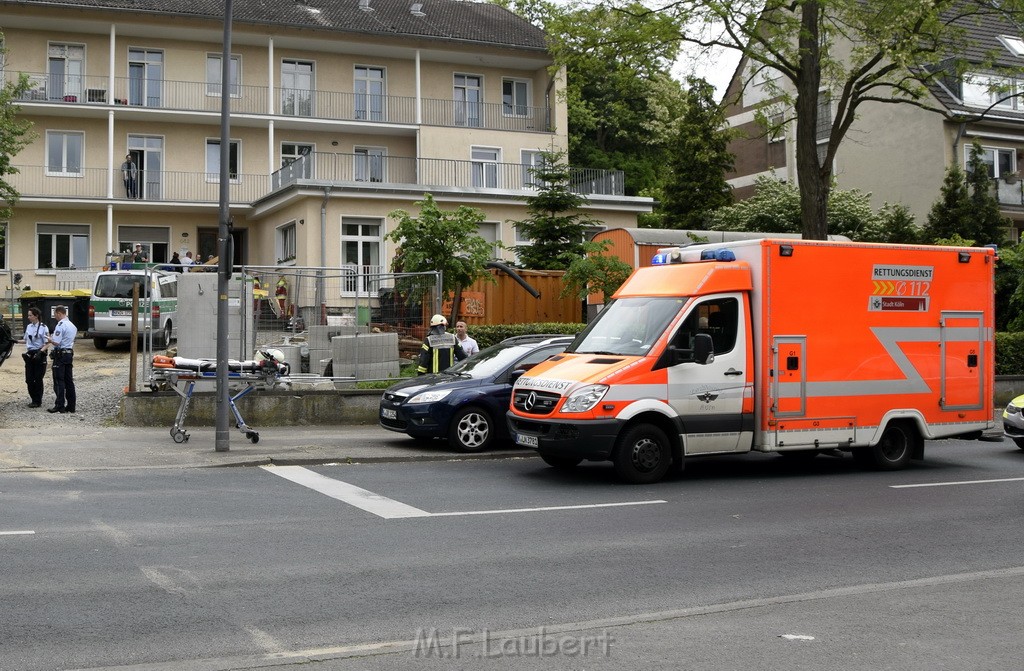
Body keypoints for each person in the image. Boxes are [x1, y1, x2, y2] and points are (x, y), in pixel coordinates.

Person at [47, 305, 77, 414]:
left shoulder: (61, 325)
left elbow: (56, 342)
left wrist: (49, 339)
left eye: (55, 315)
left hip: (60, 355)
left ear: (59, 313)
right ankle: (71, 406)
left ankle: (59, 405)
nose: (55, 317)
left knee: (59, 380)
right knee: (69, 381)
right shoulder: (72, 325)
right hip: (69, 354)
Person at [20, 306, 50, 408]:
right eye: (28, 315)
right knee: (29, 379)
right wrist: (14, 341)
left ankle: (37, 401)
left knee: (38, 379)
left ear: (36, 316)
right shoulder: (29, 327)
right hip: (30, 355)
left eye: (30, 315)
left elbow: (47, 343)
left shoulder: (43, 327)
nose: (28, 317)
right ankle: (33, 398)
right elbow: (26, 340)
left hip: (39, 355)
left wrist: (40, 352)